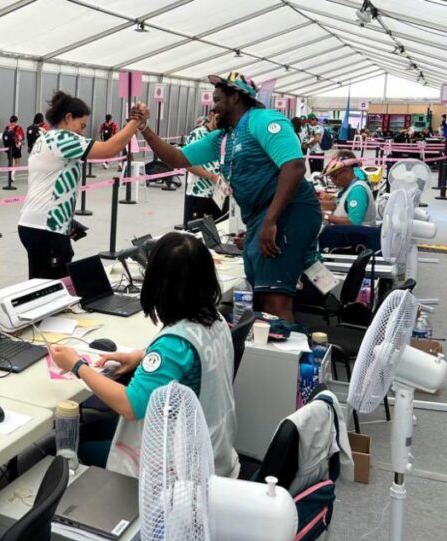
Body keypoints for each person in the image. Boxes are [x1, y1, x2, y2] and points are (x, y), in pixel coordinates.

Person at [48, 233, 238, 479]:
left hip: (180, 470)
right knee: (98, 427)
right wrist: (141, 356)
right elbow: (193, 359)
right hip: (216, 452)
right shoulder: (215, 318)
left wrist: (77, 366)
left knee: (73, 448)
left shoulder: (172, 345)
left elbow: (130, 406)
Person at [135, 72, 322, 322]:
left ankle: (285, 354)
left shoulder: (263, 120)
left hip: (288, 213)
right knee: (261, 292)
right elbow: (177, 158)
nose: (214, 107)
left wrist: (269, 222)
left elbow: (295, 166)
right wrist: (144, 128)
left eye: (218, 100)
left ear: (235, 98)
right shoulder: (224, 138)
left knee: (275, 301)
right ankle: (266, 350)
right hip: (263, 216)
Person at [17, 91, 141, 280]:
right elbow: (109, 149)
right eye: (81, 125)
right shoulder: (62, 139)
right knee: (50, 288)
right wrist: (136, 121)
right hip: (47, 226)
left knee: (50, 280)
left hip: (38, 223)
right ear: (68, 118)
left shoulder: (45, 138)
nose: (82, 132)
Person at [184, 112, 226, 221]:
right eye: (218, 118)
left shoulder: (226, 135)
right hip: (200, 194)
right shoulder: (197, 134)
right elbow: (188, 163)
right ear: (211, 116)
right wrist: (212, 177)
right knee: (197, 233)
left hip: (221, 195)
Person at [323, 152, 376, 227]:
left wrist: (326, 217)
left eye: (334, 176)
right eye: (331, 178)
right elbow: (337, 205)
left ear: (347, 172)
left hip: (357, 237)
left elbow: (354, 223)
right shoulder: (349, 187)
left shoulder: (358, 191)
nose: (333, 181)